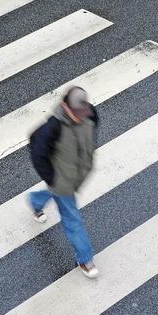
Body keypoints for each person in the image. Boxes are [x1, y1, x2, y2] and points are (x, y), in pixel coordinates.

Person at [28, 86, 99, 278]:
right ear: (64, 107)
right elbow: (36, 149)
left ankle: (35, 201)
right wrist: (52, 178)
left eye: (82, 111)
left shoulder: (90, 114)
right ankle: (85, 259)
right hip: (62, 180)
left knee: (55, 195)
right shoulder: (53, 126)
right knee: (72, 219)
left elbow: (93, 130)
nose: (81, 116)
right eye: (77, 112)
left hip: (77, 175)